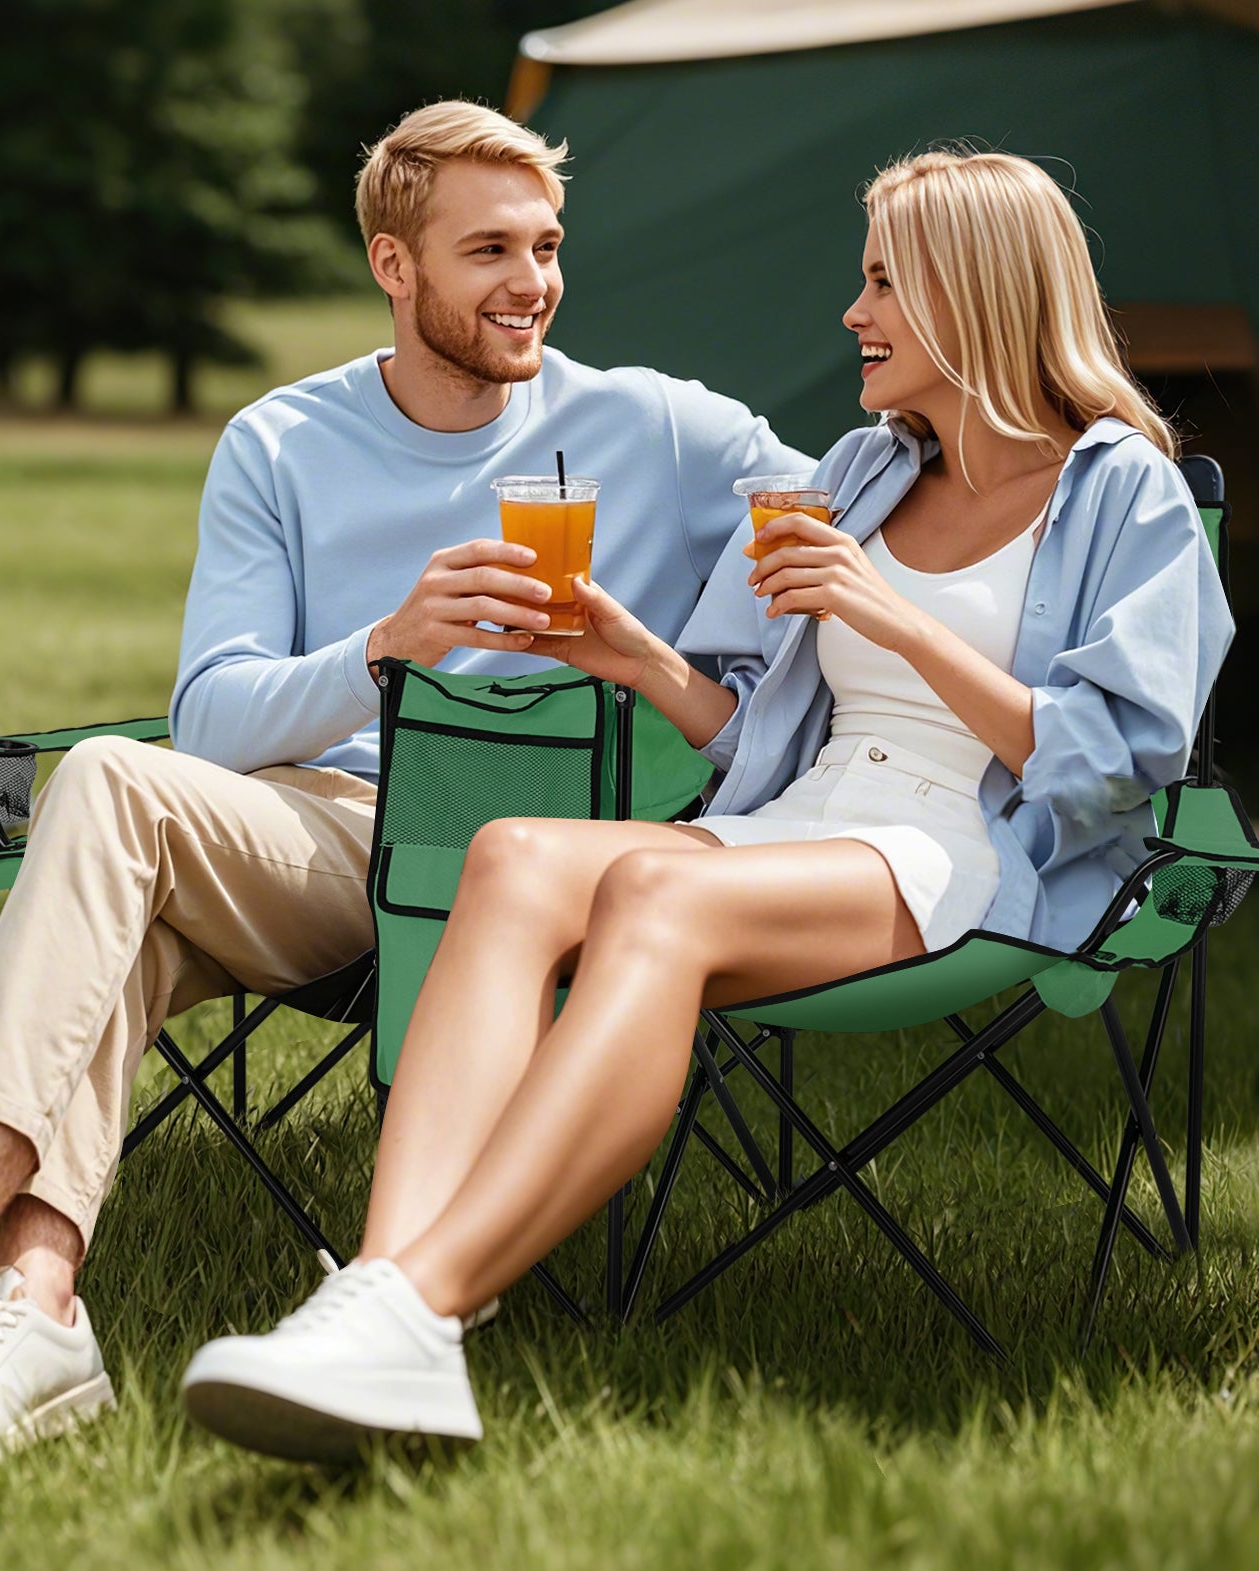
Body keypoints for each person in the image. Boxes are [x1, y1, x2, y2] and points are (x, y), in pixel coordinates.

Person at [0, 101, 808, 1461]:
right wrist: (386, 646)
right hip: (331, 833)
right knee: (114, 779)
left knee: (127, 900)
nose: (533, 285)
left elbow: (858, 511)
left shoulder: (658, 429)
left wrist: (727, 689)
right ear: (395, 268)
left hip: (553, 862)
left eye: (548, 246)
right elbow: (211, 717)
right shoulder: (283, 443)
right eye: (489, 251)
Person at [179, 147, 1235, 1464]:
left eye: (883, 282)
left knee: (650, 889)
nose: (853, 314)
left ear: (975, 294)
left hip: (970, 842)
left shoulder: (1119, 487)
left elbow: (1122, 757)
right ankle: (385, 1307)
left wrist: (894, 619)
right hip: (803, 825)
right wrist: (630, 653)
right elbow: (759, 736)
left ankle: (416, 1305)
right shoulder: (860, 472)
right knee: (512, 859)